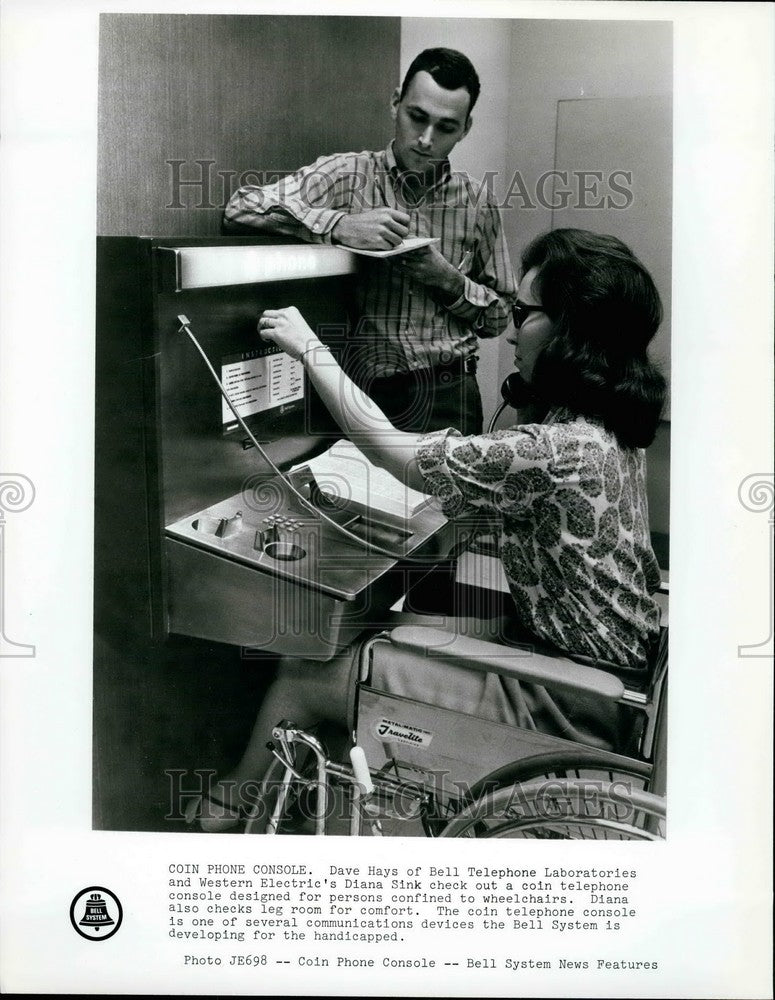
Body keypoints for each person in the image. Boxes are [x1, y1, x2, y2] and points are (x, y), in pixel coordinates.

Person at [185, 228, 667, 831]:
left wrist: (312, 350)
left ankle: (226, 817)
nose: (512, 331)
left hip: (567, 703)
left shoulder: (560, 449)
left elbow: (401, 456)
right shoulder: (605, 426)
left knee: (306, 674)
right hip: (612, 685)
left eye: (525, 313)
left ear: (575, 332)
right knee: (402, 629)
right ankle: (322, 814)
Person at [223, 47, 517, 435]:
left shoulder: (478, 203)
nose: (426, 140)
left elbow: (499, 318)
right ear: (396, 103)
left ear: (466, 128)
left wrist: (446, 279)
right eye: (417, 117)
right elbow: (241, 207)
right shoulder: (347, 175)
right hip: (365, 392)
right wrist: (339, 225)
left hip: (452, 395)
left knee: (445, 499)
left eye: (445, 127)